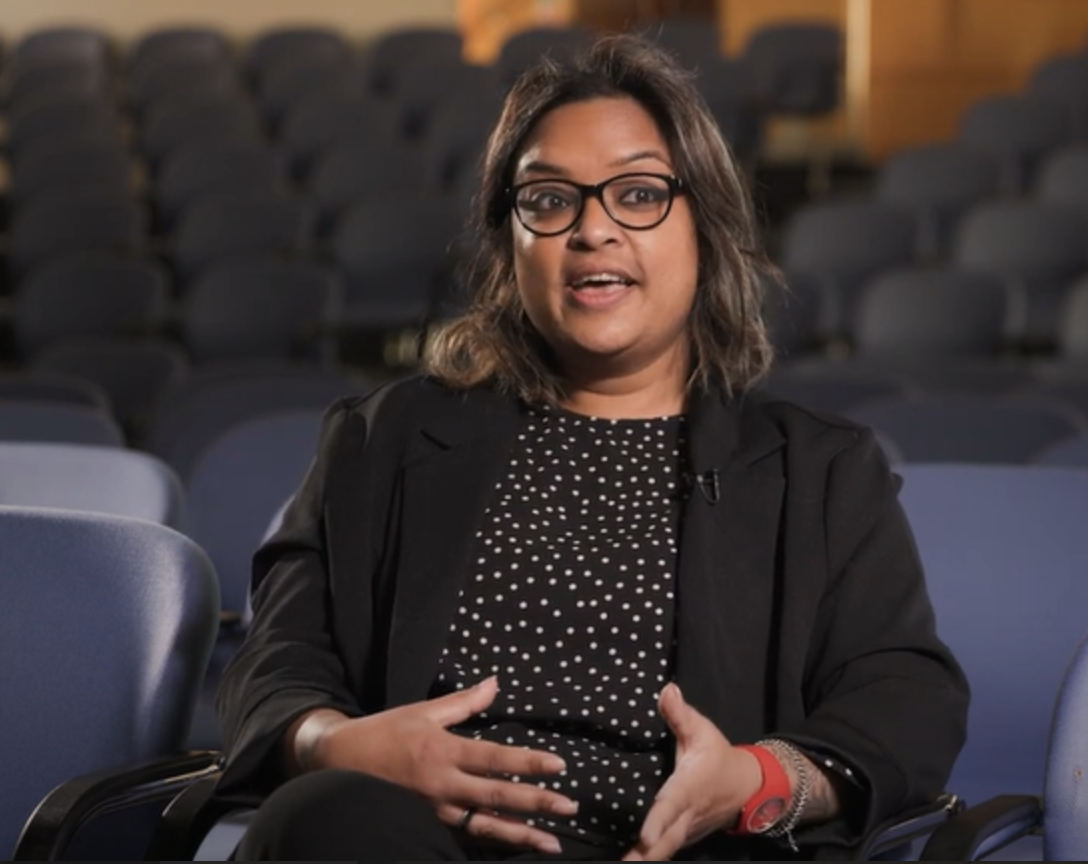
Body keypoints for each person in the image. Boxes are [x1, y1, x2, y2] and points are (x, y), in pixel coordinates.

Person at [215, 32, 969, 861]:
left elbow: (907, 696)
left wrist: (759, 779)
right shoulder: (380, 440)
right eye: (549, 199)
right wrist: (333, 744)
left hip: (686, 853)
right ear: (511, 240)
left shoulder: (821, 471)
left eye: (638, 193)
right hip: (420, 847)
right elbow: (277, 656)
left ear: (706, 227)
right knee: (319, 817)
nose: (592, 230)